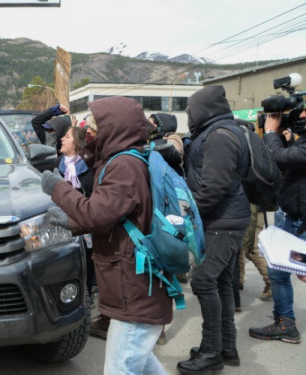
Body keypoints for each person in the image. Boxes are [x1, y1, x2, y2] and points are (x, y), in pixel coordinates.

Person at [41, 96, 171, 374]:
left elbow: (97, 215)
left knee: (121, 367)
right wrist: (70, 222)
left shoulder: (124, 166)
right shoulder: (124, 160)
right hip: (135, 285)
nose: (88, 131)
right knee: (140, 362)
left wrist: (57, 189)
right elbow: (111, 216)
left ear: (116, 128)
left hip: (134, 288)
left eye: (96, 125)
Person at [177, 85, 250, 374]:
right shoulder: (217, 131)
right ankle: (226, 347)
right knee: (222, 283)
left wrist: (187, 213)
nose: (189, 116)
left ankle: (211, 352)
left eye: (190, 111)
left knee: (203, 281)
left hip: (223, 222)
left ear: (202, 109)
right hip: (227, 220)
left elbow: (214, 188)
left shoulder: (220, 135)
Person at [248, 109, 306, 344]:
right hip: (294, 213)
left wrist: (271, 131)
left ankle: (286, 323)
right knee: (278, 270)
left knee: (289, 272)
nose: (301, 115)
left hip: (300, 219)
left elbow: (280, 158)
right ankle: (285, 323)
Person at [56, 126, 97, 308]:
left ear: (77, 143)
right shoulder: (56, 165)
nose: (62, 140)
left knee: (87, 261)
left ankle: (87, 296)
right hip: (60, 225)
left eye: (66, 136)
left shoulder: (88, 167)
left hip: (83, 225)